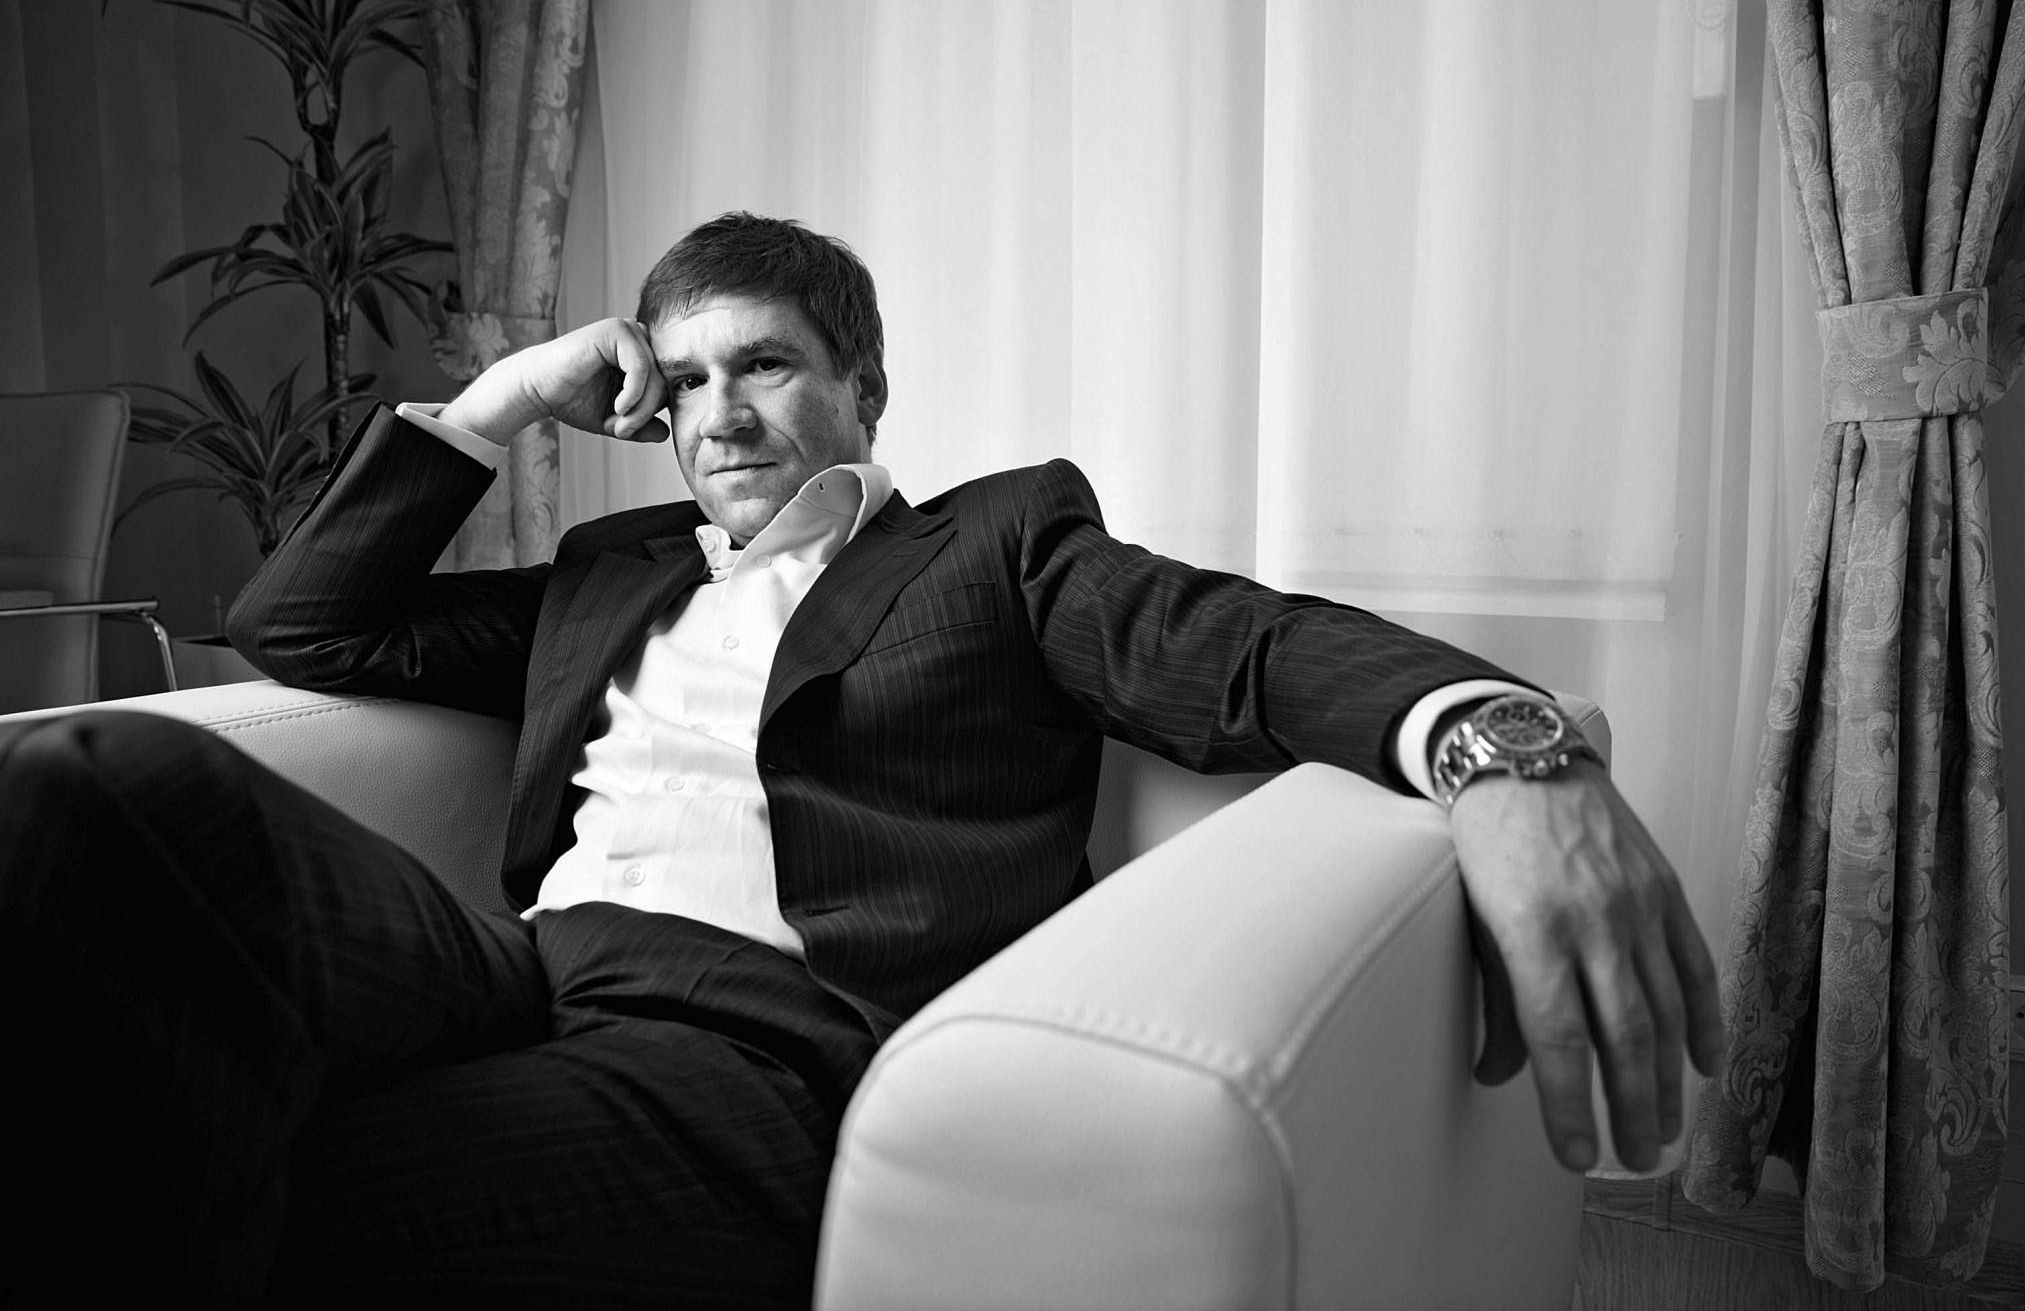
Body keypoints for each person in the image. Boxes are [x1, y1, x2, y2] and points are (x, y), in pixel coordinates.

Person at [0, 213, 1722, 1306]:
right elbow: (301, 626)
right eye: (684, 381)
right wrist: (506, 398)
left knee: (213, 1179)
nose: (720, 415)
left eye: (765, 365)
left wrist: (1518, 753)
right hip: (504, 969)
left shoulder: (998, 548)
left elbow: (1252, 649)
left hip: (755, 1043)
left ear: (867, 389)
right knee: (89, 789)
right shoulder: (609, 571)